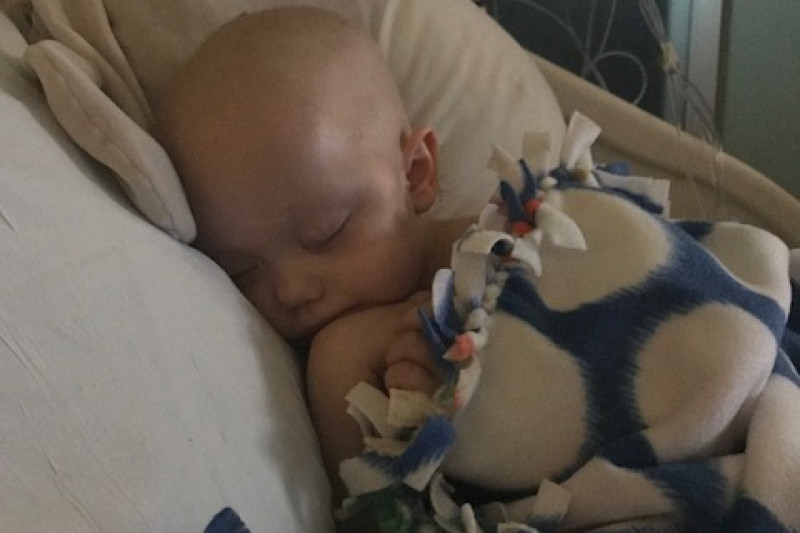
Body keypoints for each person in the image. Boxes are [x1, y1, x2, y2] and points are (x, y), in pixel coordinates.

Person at [154, 5, 465, 509]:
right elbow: (368, 513)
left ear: (415, 175)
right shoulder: (332, 364)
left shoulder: (494, 246)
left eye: (327, 233)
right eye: (242, 271)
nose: (290, 290)